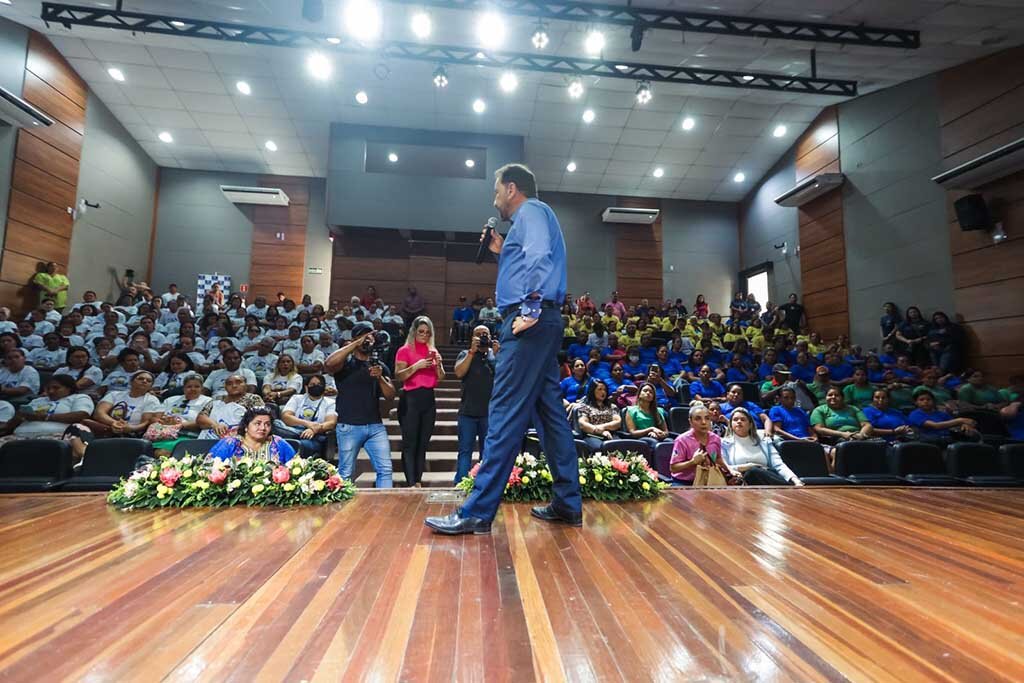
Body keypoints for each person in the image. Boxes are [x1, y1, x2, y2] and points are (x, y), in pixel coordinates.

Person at [426, 163, 580, 535]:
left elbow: (540, 256)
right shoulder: (526, 222)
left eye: (496, 189)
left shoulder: (532, 211)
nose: (494, 198)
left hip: (528, 322)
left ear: (512, 188)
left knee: (505, 412)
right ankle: (567, 503)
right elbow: (528, 259)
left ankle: (477, 511)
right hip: (541, 320)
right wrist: (501, 249)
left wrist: (528, 308)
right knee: (548, 415)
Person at [325, 322, 397, 488]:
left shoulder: (379, 365)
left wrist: (379, 377)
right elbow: (328, 364)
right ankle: (343, 510)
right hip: (349, 425)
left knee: (385, 469)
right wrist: (355, 343)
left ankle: (383, 509)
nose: (367, 339)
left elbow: (390, 395)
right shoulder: (345, 364)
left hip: (375, 426)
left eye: (369, 335)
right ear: (355, 339)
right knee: (346, 472)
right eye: (362, 336)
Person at [394, 316, 445, 488]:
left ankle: (418, 480)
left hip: (428, 399)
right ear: (414, 331)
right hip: (410, 400)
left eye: (427, 332)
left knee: (423, 443)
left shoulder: (433, 350)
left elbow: (441, 377)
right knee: (410, 443)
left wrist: (438, 365)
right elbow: (399, 375)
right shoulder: (404, 350)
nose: (424, 335)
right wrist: (417, 365)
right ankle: (410, 482)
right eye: (421, 331)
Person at [453, 325, 496, 483]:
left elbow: (504, 377)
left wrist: (497, 355)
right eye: (478, 334)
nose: (482, 337)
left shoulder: (495, 355)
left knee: (487, 453)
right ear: (472, 338)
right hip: (467, 413)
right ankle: (461, 485)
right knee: (465, 452)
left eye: (485, 334)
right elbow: (459, 372)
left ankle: (484, 485)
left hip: (489, 414)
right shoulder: (465, 354)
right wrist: (472, 351)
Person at [0, 375, 93, 442]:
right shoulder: (38, 400)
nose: (51, 391)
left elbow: (81, 415)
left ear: (69, 388)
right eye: (48, 388)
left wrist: (45, 417)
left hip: (54, 436)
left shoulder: (79, 398)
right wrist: (18, 418)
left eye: (56, 388)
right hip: (19, 436)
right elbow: (9, 425)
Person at [722, 407, 802, 485]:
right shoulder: (724, 443)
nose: (739, 422)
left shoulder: (764, 440)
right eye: (735, 420)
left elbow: (778, 464)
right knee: (752, 472)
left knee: (754, 472)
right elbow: (724, 468)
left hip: (767, 478)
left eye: (743, 419)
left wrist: (795, 480)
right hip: (742, 481)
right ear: (731, 424)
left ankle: (788, 488)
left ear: (750, 424)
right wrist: (748, 466)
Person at [275, 374, 337, 458]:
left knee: (293, 443)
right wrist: (308, 424)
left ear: (324, 387)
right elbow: (286, 417)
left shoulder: (330, 402)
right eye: (312, 384)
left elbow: (331, 423)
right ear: (306, 387)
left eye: (319, 384)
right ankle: (300, 434)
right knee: (275, 422)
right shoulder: (296, 398)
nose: (316, 386)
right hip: (292, 430)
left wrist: (314, 429)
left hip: (314, 437)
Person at [208, 406, 297, 463]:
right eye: (257, 423)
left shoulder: (279, 443)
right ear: (246, 426)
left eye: (267, 424)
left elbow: (295, 468)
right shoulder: (229, 444)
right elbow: (209, 469)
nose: (263, 428)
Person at [149, 375, 212, 453]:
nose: (193, 389)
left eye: (197, 386)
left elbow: (206, 423)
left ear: (202, 389)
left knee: (162, 452)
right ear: (183, 388)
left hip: (188, 435)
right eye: (189, 386)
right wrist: (163, 421)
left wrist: (181, 424)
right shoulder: (171, 400)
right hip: (163, 434)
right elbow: (154, 418)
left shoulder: (209, 402)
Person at [89, 371, 161, 437]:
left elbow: (145, 423)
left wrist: (130, 428)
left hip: (132, 435)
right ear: (131, 382)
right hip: (106, 428)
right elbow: (99, 413)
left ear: (151, 386)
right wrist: (114, 423)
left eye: (149, 381)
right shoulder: (114, 394)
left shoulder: (151, 400)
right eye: (140, 379)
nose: (144, 381)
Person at [669, 403, 728, 485]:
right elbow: (673, 468)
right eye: (698, 419)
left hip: (709, 478)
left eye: (707, 418)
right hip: (685, 482)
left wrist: (730, 470)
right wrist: (692, 462)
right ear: (690, 421)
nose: (703, 422)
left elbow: (718, 459)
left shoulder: (716, 438)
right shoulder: (682, 440)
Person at [908, 388, 980, 444]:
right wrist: (960, 420)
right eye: (921, 400)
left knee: (974, 434)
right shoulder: (915, 414)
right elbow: (936, 426)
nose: (925, 402)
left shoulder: (941, 413)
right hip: (930, 441)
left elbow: (954, 424)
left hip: (948, 438)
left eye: (928, 399)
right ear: (916, 402)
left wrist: (964, 425)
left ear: (933, 401)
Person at [575, 378, 621, 452]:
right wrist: (599, 431)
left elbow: (617, 422)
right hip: (592, 435)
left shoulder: (612, 406)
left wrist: (603, 427)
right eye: (599, 389)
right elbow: (582, 424)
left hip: (611, 434)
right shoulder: (585, 407)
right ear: (592, 391)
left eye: (605, 390)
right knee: (598, 448)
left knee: (621, 447)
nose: (603, 392)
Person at [624, 382, 670, 449]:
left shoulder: (659, 411)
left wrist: (660, 434)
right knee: (654, 442)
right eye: (645, 391)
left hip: (656, 436)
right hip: (640, 439)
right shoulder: (631, 410)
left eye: (651, 392)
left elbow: (666, 431)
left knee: (670, 441)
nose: (648, 393)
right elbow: (633, 432)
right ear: (639, 394)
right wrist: (651, 429)